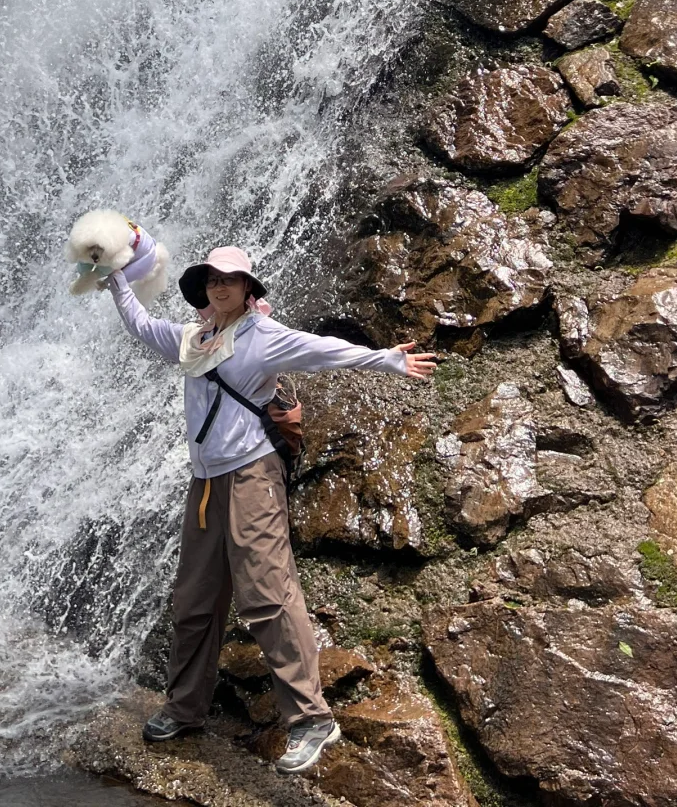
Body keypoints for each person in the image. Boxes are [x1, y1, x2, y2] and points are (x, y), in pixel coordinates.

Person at [105, 243, 437, 775]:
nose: (220, 287)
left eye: (230, 280)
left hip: (252, 476)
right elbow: (143, 326)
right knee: (195, 599)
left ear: (247, 289)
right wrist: (116, 279)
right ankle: (186, 707)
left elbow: (324, 350)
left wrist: (388, 360)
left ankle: (312, 719)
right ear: (204, 289)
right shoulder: (193, 339)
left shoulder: (262, 338)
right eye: (212, 279)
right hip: (206, 483)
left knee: (266, 592)